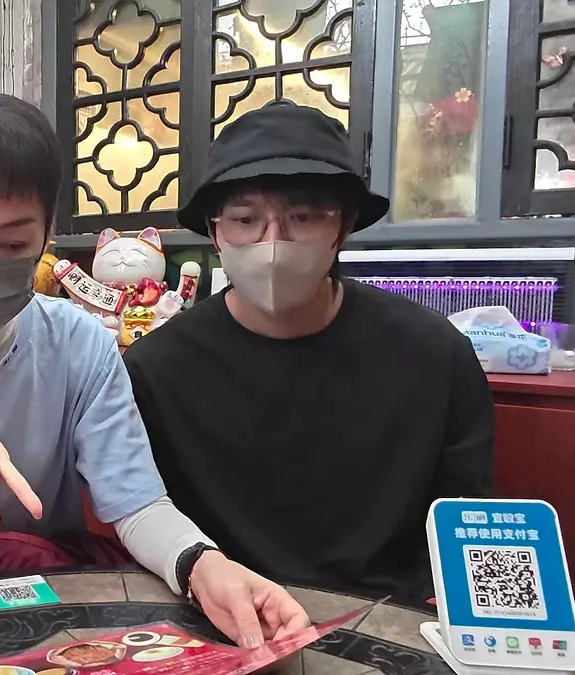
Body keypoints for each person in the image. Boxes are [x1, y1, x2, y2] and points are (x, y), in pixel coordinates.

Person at [0, 93, 310, 648]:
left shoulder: (82, 344)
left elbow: (135, 503)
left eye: (13, 243)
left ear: (45, 236)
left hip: (49, 610)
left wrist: (204, 566)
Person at [124, 100, 495, 602]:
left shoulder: (435, 355)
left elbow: (467, 525)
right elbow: (143, 516)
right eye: (245, 219)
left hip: (390, 617)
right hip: (224, 615)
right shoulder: (157, 369)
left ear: (342, 228)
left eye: (301, 217)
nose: (273, 243)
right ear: (215, 232)